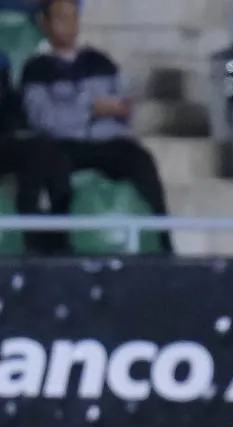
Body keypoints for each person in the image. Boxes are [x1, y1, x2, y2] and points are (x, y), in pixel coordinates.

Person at [19, 0, 173, 254]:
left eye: (72, 17)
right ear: (43, 23)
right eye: (60, 18)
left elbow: (122, 106)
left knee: (140, 159)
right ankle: (59, 245)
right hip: (66, 145)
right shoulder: (36, 70)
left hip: (107, 142)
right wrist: (91, 110)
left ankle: (164, 242)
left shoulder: (100, 62)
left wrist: (121, 109)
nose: (69, 25)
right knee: (51, 164)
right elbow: (45, 120)